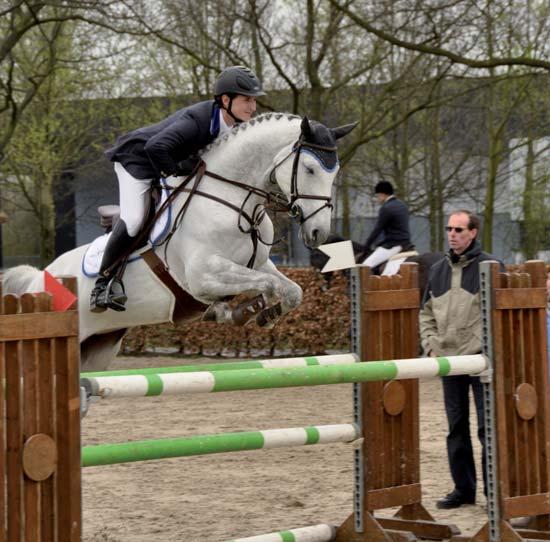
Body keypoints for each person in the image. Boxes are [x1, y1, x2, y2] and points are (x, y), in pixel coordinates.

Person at [90, 65, 265, 312]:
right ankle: (103, 283)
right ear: (226, 100)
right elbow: (155, 148)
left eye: (254, 100)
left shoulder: (236, 127)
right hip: (138, 162)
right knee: (135, 219)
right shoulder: (198, 121)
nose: (253, 107)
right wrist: (179, 168)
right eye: (247, 100)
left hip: (165, 160)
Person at [419, 209, 503, 509]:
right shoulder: (438, 269)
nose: (452, 234)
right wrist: (430, 346)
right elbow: (426, 312)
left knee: (487, 428)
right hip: (449, 362)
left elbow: (500, 315)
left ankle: (494, 493)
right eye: (449, 229)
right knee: (456, 429)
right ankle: (463, 491)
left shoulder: (492, 266)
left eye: (458, 229)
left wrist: (485, 349)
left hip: (482, 364)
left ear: (473, 233)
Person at [360, 181, 412, 270]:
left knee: (364, 267)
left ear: (382, 194)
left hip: (393, 246)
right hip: (407, 244)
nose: (377, 199)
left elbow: (377, 230)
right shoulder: (402, 205)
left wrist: (366, 247)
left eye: (377, 196)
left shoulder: (386, 208)